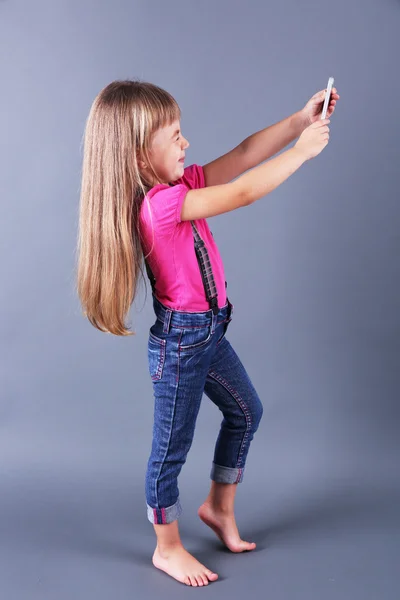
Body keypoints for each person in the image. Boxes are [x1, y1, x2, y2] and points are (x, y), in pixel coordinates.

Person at [76, 79, 338, 587]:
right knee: (170, 449)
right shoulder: (159, 206)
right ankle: (167, 547)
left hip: (211, 333)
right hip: (183, 342)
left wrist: (299, 121)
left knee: (246, 412)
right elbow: (241, 193)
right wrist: (301, 155)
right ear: (138, 155)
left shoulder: (182, 187)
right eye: (174, 136)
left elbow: (241, 157)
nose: (185, 143)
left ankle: (218, 507)